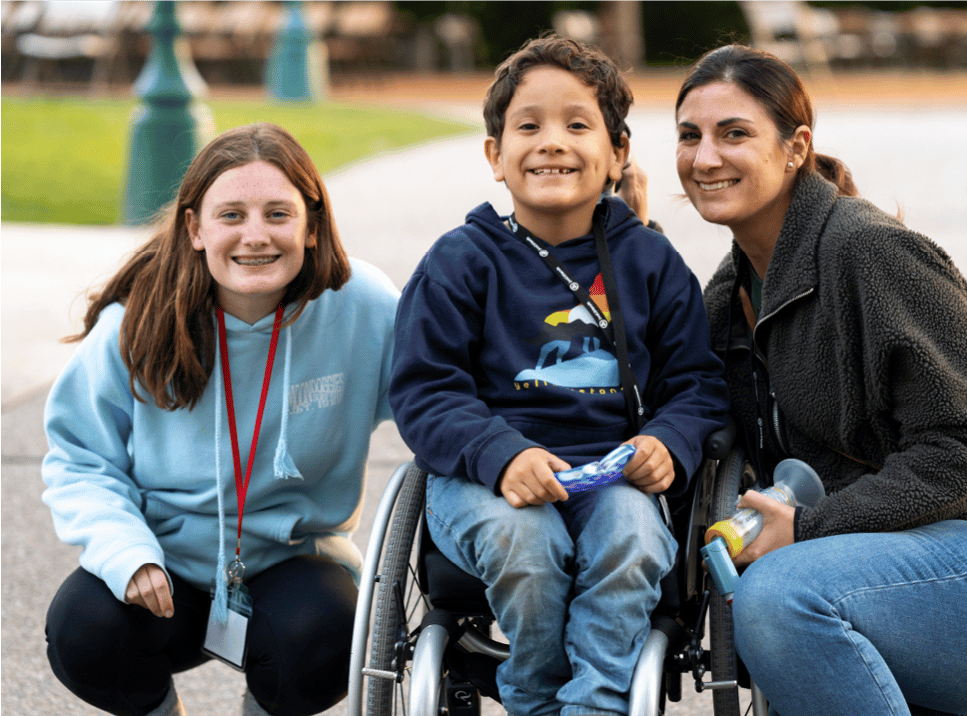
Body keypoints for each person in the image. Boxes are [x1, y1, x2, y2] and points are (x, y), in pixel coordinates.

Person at [670, 45, 967, 715]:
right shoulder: (726, 299)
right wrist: (624, 238)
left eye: (734, 132)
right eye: (690, 136)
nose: (705, 157)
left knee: (779, 595)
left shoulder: (871, 253)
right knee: (776, 589)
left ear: (795, 147)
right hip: (862, 571)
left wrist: (809, 527)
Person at [388, 35, 728, 716]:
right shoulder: (460, 262)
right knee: (527, 541)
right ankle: (536, 700)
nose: (552, 142)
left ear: (618, 153)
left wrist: (669, 441)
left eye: (577, 125)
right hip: (486, 480)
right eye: (529, 126)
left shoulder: (652, 264)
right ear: (495, 155)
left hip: (612, 476)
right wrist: (501, 454)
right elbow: (425, 390)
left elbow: (697, 383)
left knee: (635, 539)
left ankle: (596, 702)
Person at [41, 123, 399, 716]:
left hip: (292, 573)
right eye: (231, 214)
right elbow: (80, 458)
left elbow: (435, 408)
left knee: (332, 630)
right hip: (162, 571)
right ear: (195, 229)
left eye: (277, 214)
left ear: (311, 226)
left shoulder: (364, 306)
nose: (255, 236)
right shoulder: (139, 322)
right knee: (82, 630)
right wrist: (126, 552)